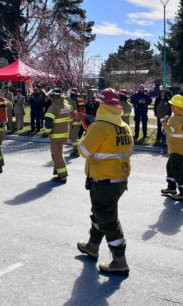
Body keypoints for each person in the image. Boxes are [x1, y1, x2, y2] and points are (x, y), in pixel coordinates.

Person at [77, 88, 133, 276]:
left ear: (102, 105)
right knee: (98, 213)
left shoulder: (100, 126)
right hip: (119, 180)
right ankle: (92, 246)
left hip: (102, 181)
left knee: (108, 220)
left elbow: (84, 150)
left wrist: (84, 136)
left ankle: (119, 261)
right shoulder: (123, 125)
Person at [158, 94, 183, 200]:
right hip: (181, 147)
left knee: (177, 169)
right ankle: (171, 187)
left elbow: (169, 131)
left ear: (176, 107)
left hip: (176, 148)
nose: (171, 107)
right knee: (170, 167)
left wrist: (163, 122)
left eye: (172, 105)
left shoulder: (175, 118)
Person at [44, 89, 71, 183]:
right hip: (64, 135)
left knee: (57, 155)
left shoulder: (53, 107)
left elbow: (48, 122)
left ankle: (62, 176)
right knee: (59, 153)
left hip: (56, 136)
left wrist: (48, 132)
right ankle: (56, 169)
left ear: (53, 97)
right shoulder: (66, 106)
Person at [68, 88, 84, 157]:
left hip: (74, 121)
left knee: (73, 137)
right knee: (76, 136)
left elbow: (71, 112)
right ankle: (77, 149)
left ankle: (76, 151)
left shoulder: (72, 102)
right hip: (79, 121)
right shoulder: (78, 101)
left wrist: (70, 122)